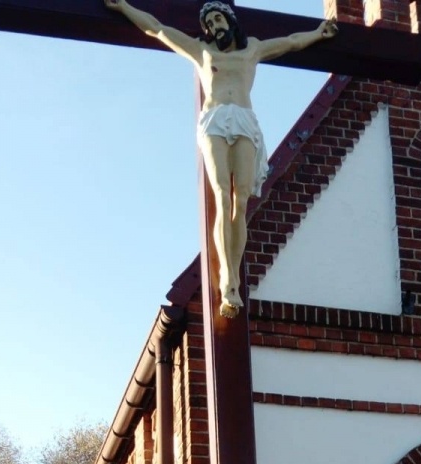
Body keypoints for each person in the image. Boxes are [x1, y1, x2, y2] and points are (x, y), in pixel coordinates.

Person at [104, 0, 337, 317]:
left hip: (244, 120)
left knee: (241, 200)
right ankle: (228, 281)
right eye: (210, 24)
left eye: (217, 19)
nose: (214, 26)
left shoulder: (252, 49)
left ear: (229, 20)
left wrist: (319, 33)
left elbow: (291, 42)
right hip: (214, 120)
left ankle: (234, 275)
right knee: (222, 197)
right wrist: (123, 7)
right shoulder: (201, 51)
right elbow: (157, 28)